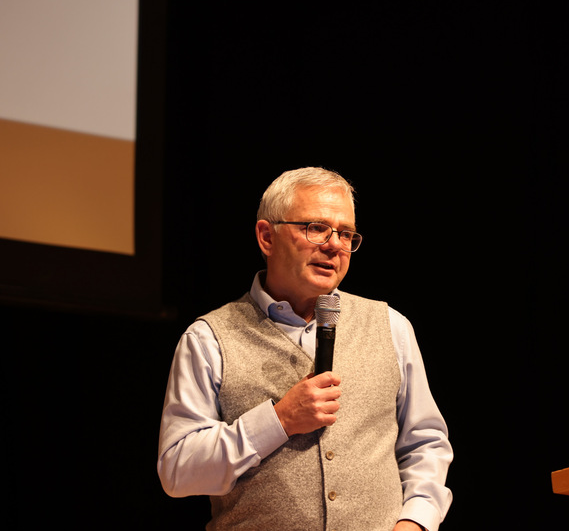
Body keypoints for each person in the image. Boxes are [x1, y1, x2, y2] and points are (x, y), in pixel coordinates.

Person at [157, 167, 453, 530]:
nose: (334, 245)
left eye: (346, 234)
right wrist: (278, 420)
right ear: (267, 237)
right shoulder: (207, 339)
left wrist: (417, 521)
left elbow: (426, 445)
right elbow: (177, 470)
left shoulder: (392, 327)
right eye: (316, 228)